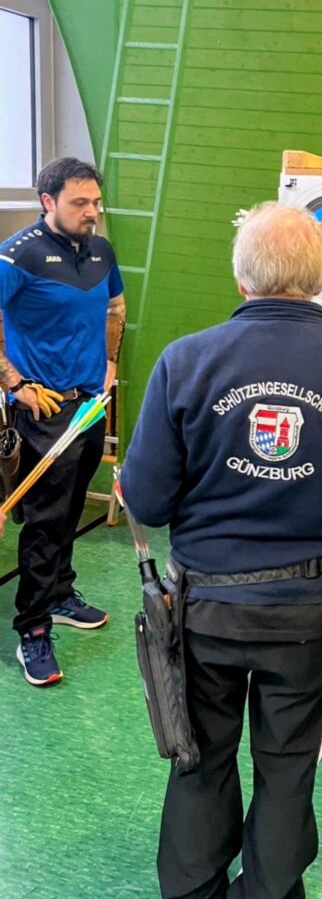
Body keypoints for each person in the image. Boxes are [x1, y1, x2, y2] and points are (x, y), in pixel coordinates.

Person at [121, 201, 322, 899]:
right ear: (321, 276)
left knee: (200, 757)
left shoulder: (185, 360)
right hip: (305, 612)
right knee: (287, 767)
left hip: (206, 610)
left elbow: (148, 502)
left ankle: (193, 890)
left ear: (241, 278)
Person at [0, 157, 125, 687]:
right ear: (47, 201)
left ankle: (59, 592)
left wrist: (111, 363)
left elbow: (115, 308)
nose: (91, 211)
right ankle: (32, 628)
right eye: (79, 203)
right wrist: (15, 385)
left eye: (95, 201)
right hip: (45, 411)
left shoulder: (101, 250)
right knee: (46, 521)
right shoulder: (18, 254)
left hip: (91, 404)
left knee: (72, 507)